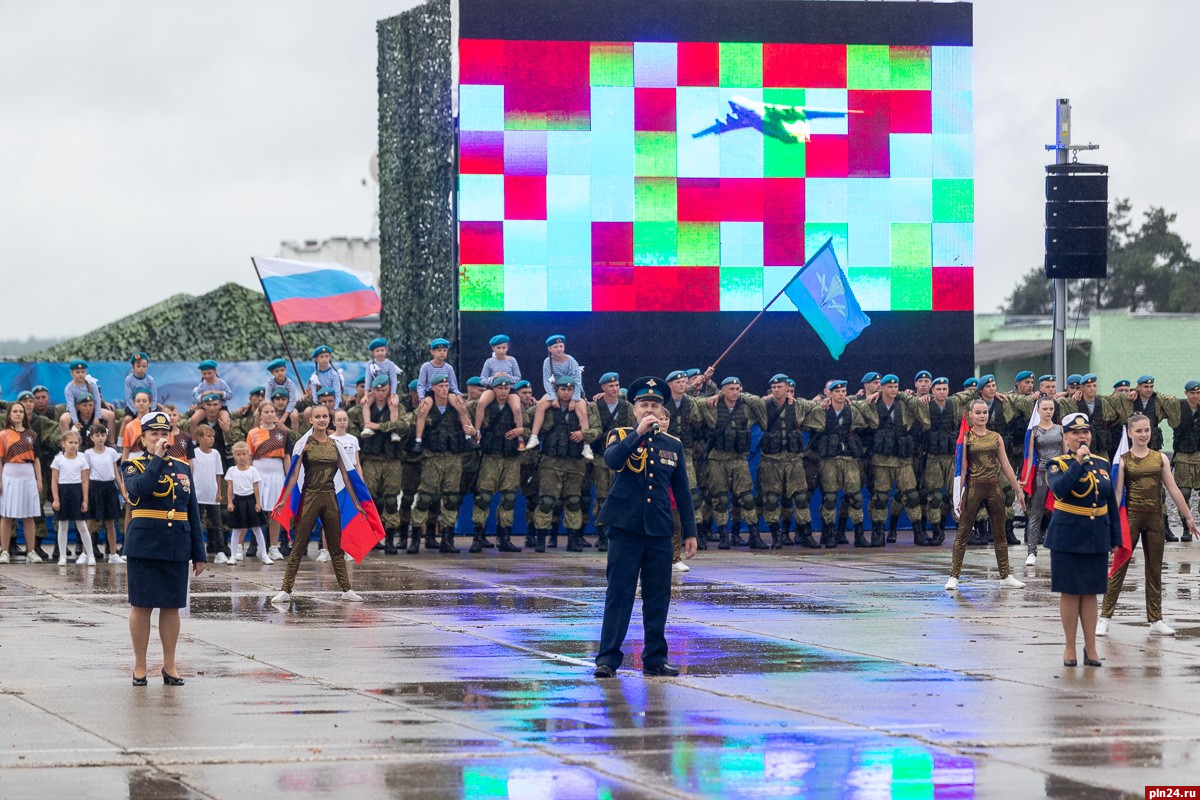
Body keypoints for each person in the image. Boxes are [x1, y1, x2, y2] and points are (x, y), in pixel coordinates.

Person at [594, 376, 698, 679]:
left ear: (663, 411)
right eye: (643, 405)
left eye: (654, 405)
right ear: (634, 408)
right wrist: (636, 435)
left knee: (657, 596)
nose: (649, 409)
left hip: (659, 530)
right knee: (619, 594)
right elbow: (613, 461)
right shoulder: (621, 435)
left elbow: (682, 491)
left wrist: (689, 532)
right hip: (625, 529)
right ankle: (607, 658)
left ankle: (654, 658)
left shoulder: (673, 445)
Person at [122, 410, 206, 686]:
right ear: (143, 438)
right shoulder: (132, 466)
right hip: (145, 544)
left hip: (176, 544)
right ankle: (140, 666)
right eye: (153, 434)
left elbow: (191, 510)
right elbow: (141, 491)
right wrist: (156, 458)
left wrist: (199, 552)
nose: (160, 438)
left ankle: (170, 665)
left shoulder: (182, 469)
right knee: (142, 606)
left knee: (172, 607)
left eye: (164, 433)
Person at [1098, 414, 1199, 637]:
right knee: (1119, 567)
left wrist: (1189, 517)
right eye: (1139, 431)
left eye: (1147, 430)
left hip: (1155, 519)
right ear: (1130, 433)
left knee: (1154, 570)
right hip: (1132, 518)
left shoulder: (1160, 458)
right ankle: (1105, 616)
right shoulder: (1124, 459)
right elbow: (1117, 494)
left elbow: (1173, 489)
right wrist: (1112, 524)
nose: (1144, 435)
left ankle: (1156, 619)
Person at [1043, 413, 1122, 667]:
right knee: (1070, 591)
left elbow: (1110, 501)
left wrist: (1114, 537)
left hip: (1096, 534)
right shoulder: (1056, 464)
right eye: (1076, 433)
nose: (1082, 437)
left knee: (1090, 593)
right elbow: (1060, 489)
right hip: (1067, 535)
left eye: (1085, 432)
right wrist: (1077, 462)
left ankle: (1091, 647)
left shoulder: (1101, 463)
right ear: (1065, 437)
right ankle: (1069, 648)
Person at [271, 404, 363, 604]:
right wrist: (283, 499)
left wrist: (356, 502)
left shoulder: (335, 445)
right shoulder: (304, 445)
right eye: (318, 417)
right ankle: (286, 590)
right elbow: (294, 475)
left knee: (336, 547)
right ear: (310, 420)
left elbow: (347, 476)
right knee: (299, 545)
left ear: (328, 420)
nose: (322, 420)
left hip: (330, 498)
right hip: (310, 497)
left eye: (325, 416)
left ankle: (346, 589)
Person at [945, 398, 1027, 591]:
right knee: (963, 532)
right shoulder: (966, 437)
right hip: (973, 488)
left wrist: (1018, 490)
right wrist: (958, 495)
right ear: (970, 415)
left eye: (985, 413)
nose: (982, 416)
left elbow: (1006, 465)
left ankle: (1005, 575)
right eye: (978, 413)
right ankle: (954, 576)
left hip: (994, 488)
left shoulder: (996, 437)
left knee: (1000, 534)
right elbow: (962, 469)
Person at [529, 375, 600, 553]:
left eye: (569, 389)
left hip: (575, 462)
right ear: (557, 390)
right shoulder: (546, 407)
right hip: (551, 461)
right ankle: (540, 538)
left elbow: (596, 429)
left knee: (573, 501)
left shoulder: (583, 408)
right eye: (563, 389)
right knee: (546, 500)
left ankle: (573, 539)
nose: (566, 393)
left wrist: (584, 435)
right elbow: (528, 422)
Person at [408, 375, 469, 554]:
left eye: (446, 385)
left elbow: (467, 422)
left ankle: (447, 540)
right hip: (432, 457)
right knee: (425, 498)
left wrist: (471, 431)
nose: (444, 389)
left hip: (453, 458)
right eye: (440, 386)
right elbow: (414, 421)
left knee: (451, 499)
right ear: (433, 388)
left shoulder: (456, 406)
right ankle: (415, 539)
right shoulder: (426, 406)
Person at [467, 375, 525, 553]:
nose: (503, 392)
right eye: (500, 388)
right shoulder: (482, 406)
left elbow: (532, 428)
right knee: (484, 497)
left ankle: (504, 537)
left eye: (507, 389)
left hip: (511, 457)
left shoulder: (517, 406)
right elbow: (464, 417)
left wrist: (522, 431)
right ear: (493, 389)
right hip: (490, 457)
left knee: (509, 498)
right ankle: (478, 536)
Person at [526, 334, 594, 461]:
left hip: (573, 390)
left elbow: (577, 382)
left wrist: (574, 399)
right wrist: (553, 397)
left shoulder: (571, 361)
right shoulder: (547, 362)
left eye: (561, 346)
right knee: (541, 404)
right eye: (555, 346)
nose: (559, 349)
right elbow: (547, 381)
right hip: (556, 390)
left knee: (582, 411)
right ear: (550, 349)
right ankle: (534, 437)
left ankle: (586, 446)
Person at [1022, 395, 1063, 567]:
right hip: (1041, 474)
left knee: (1060, 513)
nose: (1048, 411)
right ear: (1038, 410)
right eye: (1044, 408)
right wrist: (1024, 479)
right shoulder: (1035, 431)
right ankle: (1032, 551)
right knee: (1036, 513)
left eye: (1051, 408)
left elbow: (1067, 454)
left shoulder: (1061, 429)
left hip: (1059, 475)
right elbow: (1029, 456)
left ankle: (1061, 550)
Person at [0, 403, 44, 563]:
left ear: (24, 415)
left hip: (27, 475)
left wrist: (39, 479)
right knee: (7, 515)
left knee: (28, 515)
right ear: (9, 415)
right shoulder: (3, 435)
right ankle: (4, 551)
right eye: (15, 411)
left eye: (20, 411)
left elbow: (37, 459)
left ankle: (31, 551)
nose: (18, 414)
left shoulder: (32, 435)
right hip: (9, 473)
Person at [246, 403, 289, 560]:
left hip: (277, 475)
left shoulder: (283, 433)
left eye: (272, 411)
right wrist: (247, 475)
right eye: (266, 411)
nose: (270, 414)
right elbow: (249, 455)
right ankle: (242, 546)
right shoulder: (253, 433)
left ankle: (273, 547)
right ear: (260, 413)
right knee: (254, 509)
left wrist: (289, 476)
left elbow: (286, 457)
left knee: (274, 512)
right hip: (258, 472)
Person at [51, 429, 95, 566]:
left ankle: (91, 555)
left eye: (76, 443)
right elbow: (54, 481)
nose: (73, 445)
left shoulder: (81, 460)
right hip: (63, 492)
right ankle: (62, 556)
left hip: (77, 492)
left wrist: (85, 500)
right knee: (62, 525)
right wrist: (56, 499)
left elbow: (85, 481)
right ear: (63, 443)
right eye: (70, 442)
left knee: (82, 525)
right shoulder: (58, 460)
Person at [225, 442, 271, 565]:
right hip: (238, 501)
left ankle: (265, 555)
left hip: (251, 501)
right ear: (234, 455)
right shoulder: (232, 471)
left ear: (248, 454)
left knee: (257, 529)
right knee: (236, 530)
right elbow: (230, 487)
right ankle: (233, 556)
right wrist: (230, 502)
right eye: (238, 454)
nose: (241, 457)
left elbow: (256, 487)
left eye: (244, 454)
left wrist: (258, 503)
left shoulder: (253, 470)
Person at [85, 426, 125, 563]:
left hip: (109, 488)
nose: (100, 438)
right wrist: (85, 496)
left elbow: (116, 473)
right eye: (96, 435)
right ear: (91, 438)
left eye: (102, 435)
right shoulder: (88, 453)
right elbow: (86, 475)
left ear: (106, 436)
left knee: (110, 522)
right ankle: (86, 554)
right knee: (90, 522)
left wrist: (122, 491)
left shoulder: (112, 452)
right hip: (94, 487)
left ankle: (113, 554)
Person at [190, 424, 227, 562]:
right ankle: (196, 551)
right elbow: (191, 472)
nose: (211, 439)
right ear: (199, 438)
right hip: (197, 495)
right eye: (208, 436)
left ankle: (220, 551)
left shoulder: (216, 454)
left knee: (217, 524)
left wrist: (219, 492)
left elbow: (218, 474)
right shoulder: (193, 453)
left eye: (213, 436)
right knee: (196, 524)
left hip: (212, 494)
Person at [1169, 379, 1200, 543]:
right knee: (1184, 492)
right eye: (1192, 393)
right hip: (1182, 454)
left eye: (1198, 393)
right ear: (1186, 393)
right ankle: (1186, 528)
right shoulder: (1178, 407)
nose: (1195, 396)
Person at [189, 360, 234, 432]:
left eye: (209, 373)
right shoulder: (202, 385)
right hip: (205, 408)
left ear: (215, 371)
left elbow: (230, 395)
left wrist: (220, 393)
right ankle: (194, 442)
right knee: (193, 420)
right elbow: (197, 400)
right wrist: (203, 395)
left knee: (224, 421)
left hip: (221, 407)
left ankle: (226, 442)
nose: (207, 376)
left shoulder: (221, 383)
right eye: (204, 374)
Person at [123, 352, 159, 423]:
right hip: (134, 406)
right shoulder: (129, 380)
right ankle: (121, 434)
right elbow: (129, 397)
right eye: (138, 366)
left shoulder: (150, 380)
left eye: (144, 366)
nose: (141, 368)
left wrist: (152, 409)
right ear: (133, 367)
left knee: (156, 419)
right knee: (127, 419)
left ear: (147, 367)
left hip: (148, 406)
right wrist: (136, 411)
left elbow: (154, 396)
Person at [266, 358, 301, 429]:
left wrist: (284, 417)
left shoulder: (290, 384)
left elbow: (292, 401)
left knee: (294, 415)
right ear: (272, 373)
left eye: (282, 370)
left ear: (285, 370)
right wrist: (274, 415)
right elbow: (267, 399)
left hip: (287, 408)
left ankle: (295, 435)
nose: (280, 373)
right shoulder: (270, 383)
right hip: (275, 407)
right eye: (276, 371)